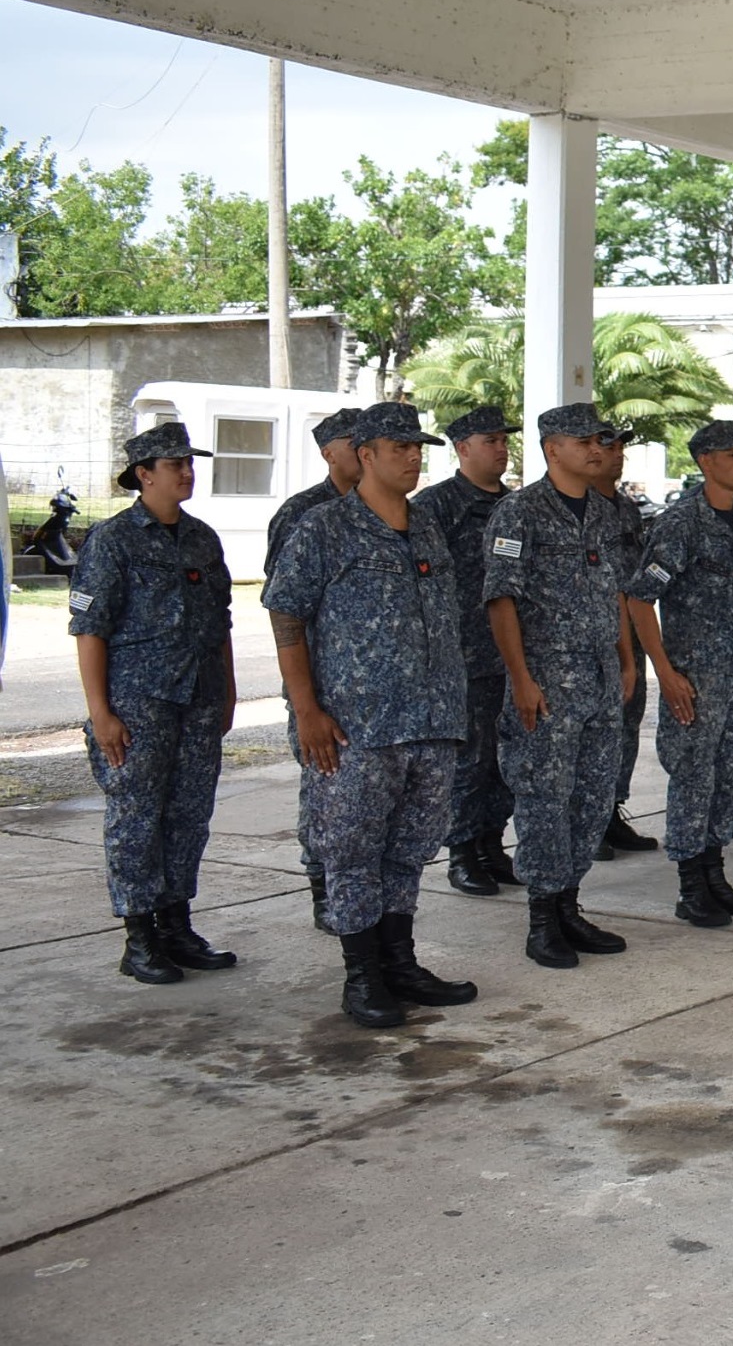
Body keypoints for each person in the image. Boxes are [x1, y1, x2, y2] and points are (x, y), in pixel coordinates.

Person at [265, 402, 477, 1028]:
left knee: (410, 851)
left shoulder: (429, 529)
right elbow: (287, 617)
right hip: (359, 727)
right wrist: (306, 708)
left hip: (432, 723)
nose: (413, 457)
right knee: (353, 852)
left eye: (418, 448)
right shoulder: (323, 528)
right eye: (399, 447)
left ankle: (400, 962)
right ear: (364, 455)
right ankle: (362, 977)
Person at [70, 422, 238, 985]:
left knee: (189, 814)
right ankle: (139, 937)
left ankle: (176, 925)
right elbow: (90, 628)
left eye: (190, 462)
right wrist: (101, 712)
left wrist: (228, 689)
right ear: (144, 475)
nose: (188, 472)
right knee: (136, 819)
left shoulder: (202, 539)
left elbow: (221, 624)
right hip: (139, 702)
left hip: (198, 698)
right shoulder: (112, 541)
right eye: (175, 464)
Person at [482, 403, 638, 969]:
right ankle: (542, 918)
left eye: (600, 439)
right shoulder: (518, 514)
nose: (596, 449)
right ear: (552, 449)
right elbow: (501, 599)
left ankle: (570, 904)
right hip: (547, 680)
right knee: (545, 798)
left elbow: (616, 591)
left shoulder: (605, 512)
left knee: (593, 796)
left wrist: (626, 660)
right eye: (582, 441)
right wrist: (520, 678)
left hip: (598, 677)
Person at [621, 420, 733, 922]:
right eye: (732, 454)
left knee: (731, 777)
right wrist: (664, 673)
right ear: (705, 462)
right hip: (695, 678)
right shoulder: (681, 523)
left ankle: (715, 874)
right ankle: (692, 887)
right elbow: (639, 599)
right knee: (692, 779)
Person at [411, 404, 519, 900]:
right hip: (463, 658)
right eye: (490, 441)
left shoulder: (516, 507)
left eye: (503, 440)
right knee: (468, 762)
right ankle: (462, 853)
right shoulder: (436, 507)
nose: (501, 449)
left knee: (505, 759)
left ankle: (493, 844)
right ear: (463, 449)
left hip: (512, 656)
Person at [262, 405, 362, 927]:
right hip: (320, 683)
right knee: (324, 789)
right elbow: (286, 608)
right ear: (328, 453)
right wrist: (304, 701)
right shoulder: (304, 514)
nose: (363, 447)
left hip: (371, 687)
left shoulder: (387, 510)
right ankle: (323, 886)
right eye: (352, 440)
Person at [592, 430, 661, 860]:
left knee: (626, 725)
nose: (617, 456)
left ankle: (611, 810)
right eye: (607, 447)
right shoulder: (572, 508)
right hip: (591, 640)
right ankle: (589, 819)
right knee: (595, 732)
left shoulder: (626, 509)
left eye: (621, 448)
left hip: (628, 636)